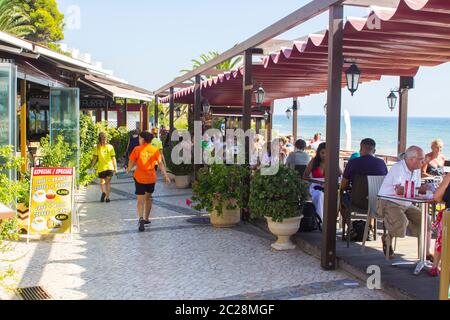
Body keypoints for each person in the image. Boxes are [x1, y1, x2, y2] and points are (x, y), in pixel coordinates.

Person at [377, 146, 433, 259]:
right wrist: (421, 189)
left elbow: (414, 189)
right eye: (421, 159)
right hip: (389, 201)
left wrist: (424, 190)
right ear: (411, 159)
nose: (424, 162)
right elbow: (399, 190)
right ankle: (387, 237)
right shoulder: (398, 168)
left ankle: (425, 253)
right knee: (402, 222)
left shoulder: (416, 170)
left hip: (405, 203)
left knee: (426, 219)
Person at [127, 131, 171, 232]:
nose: (138, 140)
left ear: (142, 139)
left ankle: (141, 218)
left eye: (139, 138)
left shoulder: (137, 149)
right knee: (148, 198)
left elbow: (131, 161)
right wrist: (166, 175)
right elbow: (160, 164)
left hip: (139, 178)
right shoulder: (154, 150)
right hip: (151, 179)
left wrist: (128, 169)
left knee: (140, 200)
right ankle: (146, 219)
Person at [303, 143, 341, 221]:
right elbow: (305, 176)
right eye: (322, 153)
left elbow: (341, 175)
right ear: (318, 152)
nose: (324, 155)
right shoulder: (314, 161)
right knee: (319, 195)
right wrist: (316, 181)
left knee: (335, 197)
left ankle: (330, 219)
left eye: (326, 153)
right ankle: (320, 220)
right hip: (315, 186)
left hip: (329, 186)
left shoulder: (333, 161)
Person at [431, 174, 450, 276]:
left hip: (449, 216)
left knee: (441, 240)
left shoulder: (449, 177)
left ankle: (435, 266)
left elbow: (437, 197)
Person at [91, 132, 117, 203]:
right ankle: (107, 198)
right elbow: (113, 158)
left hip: (102, 168)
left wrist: (91, 167)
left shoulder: (97, 147)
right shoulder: (110, 147)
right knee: (108, 183)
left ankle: (103, 192)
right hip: (110, 167)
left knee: (102, 182)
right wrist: (115, 168)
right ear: (106, 138)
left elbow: (95, 158)